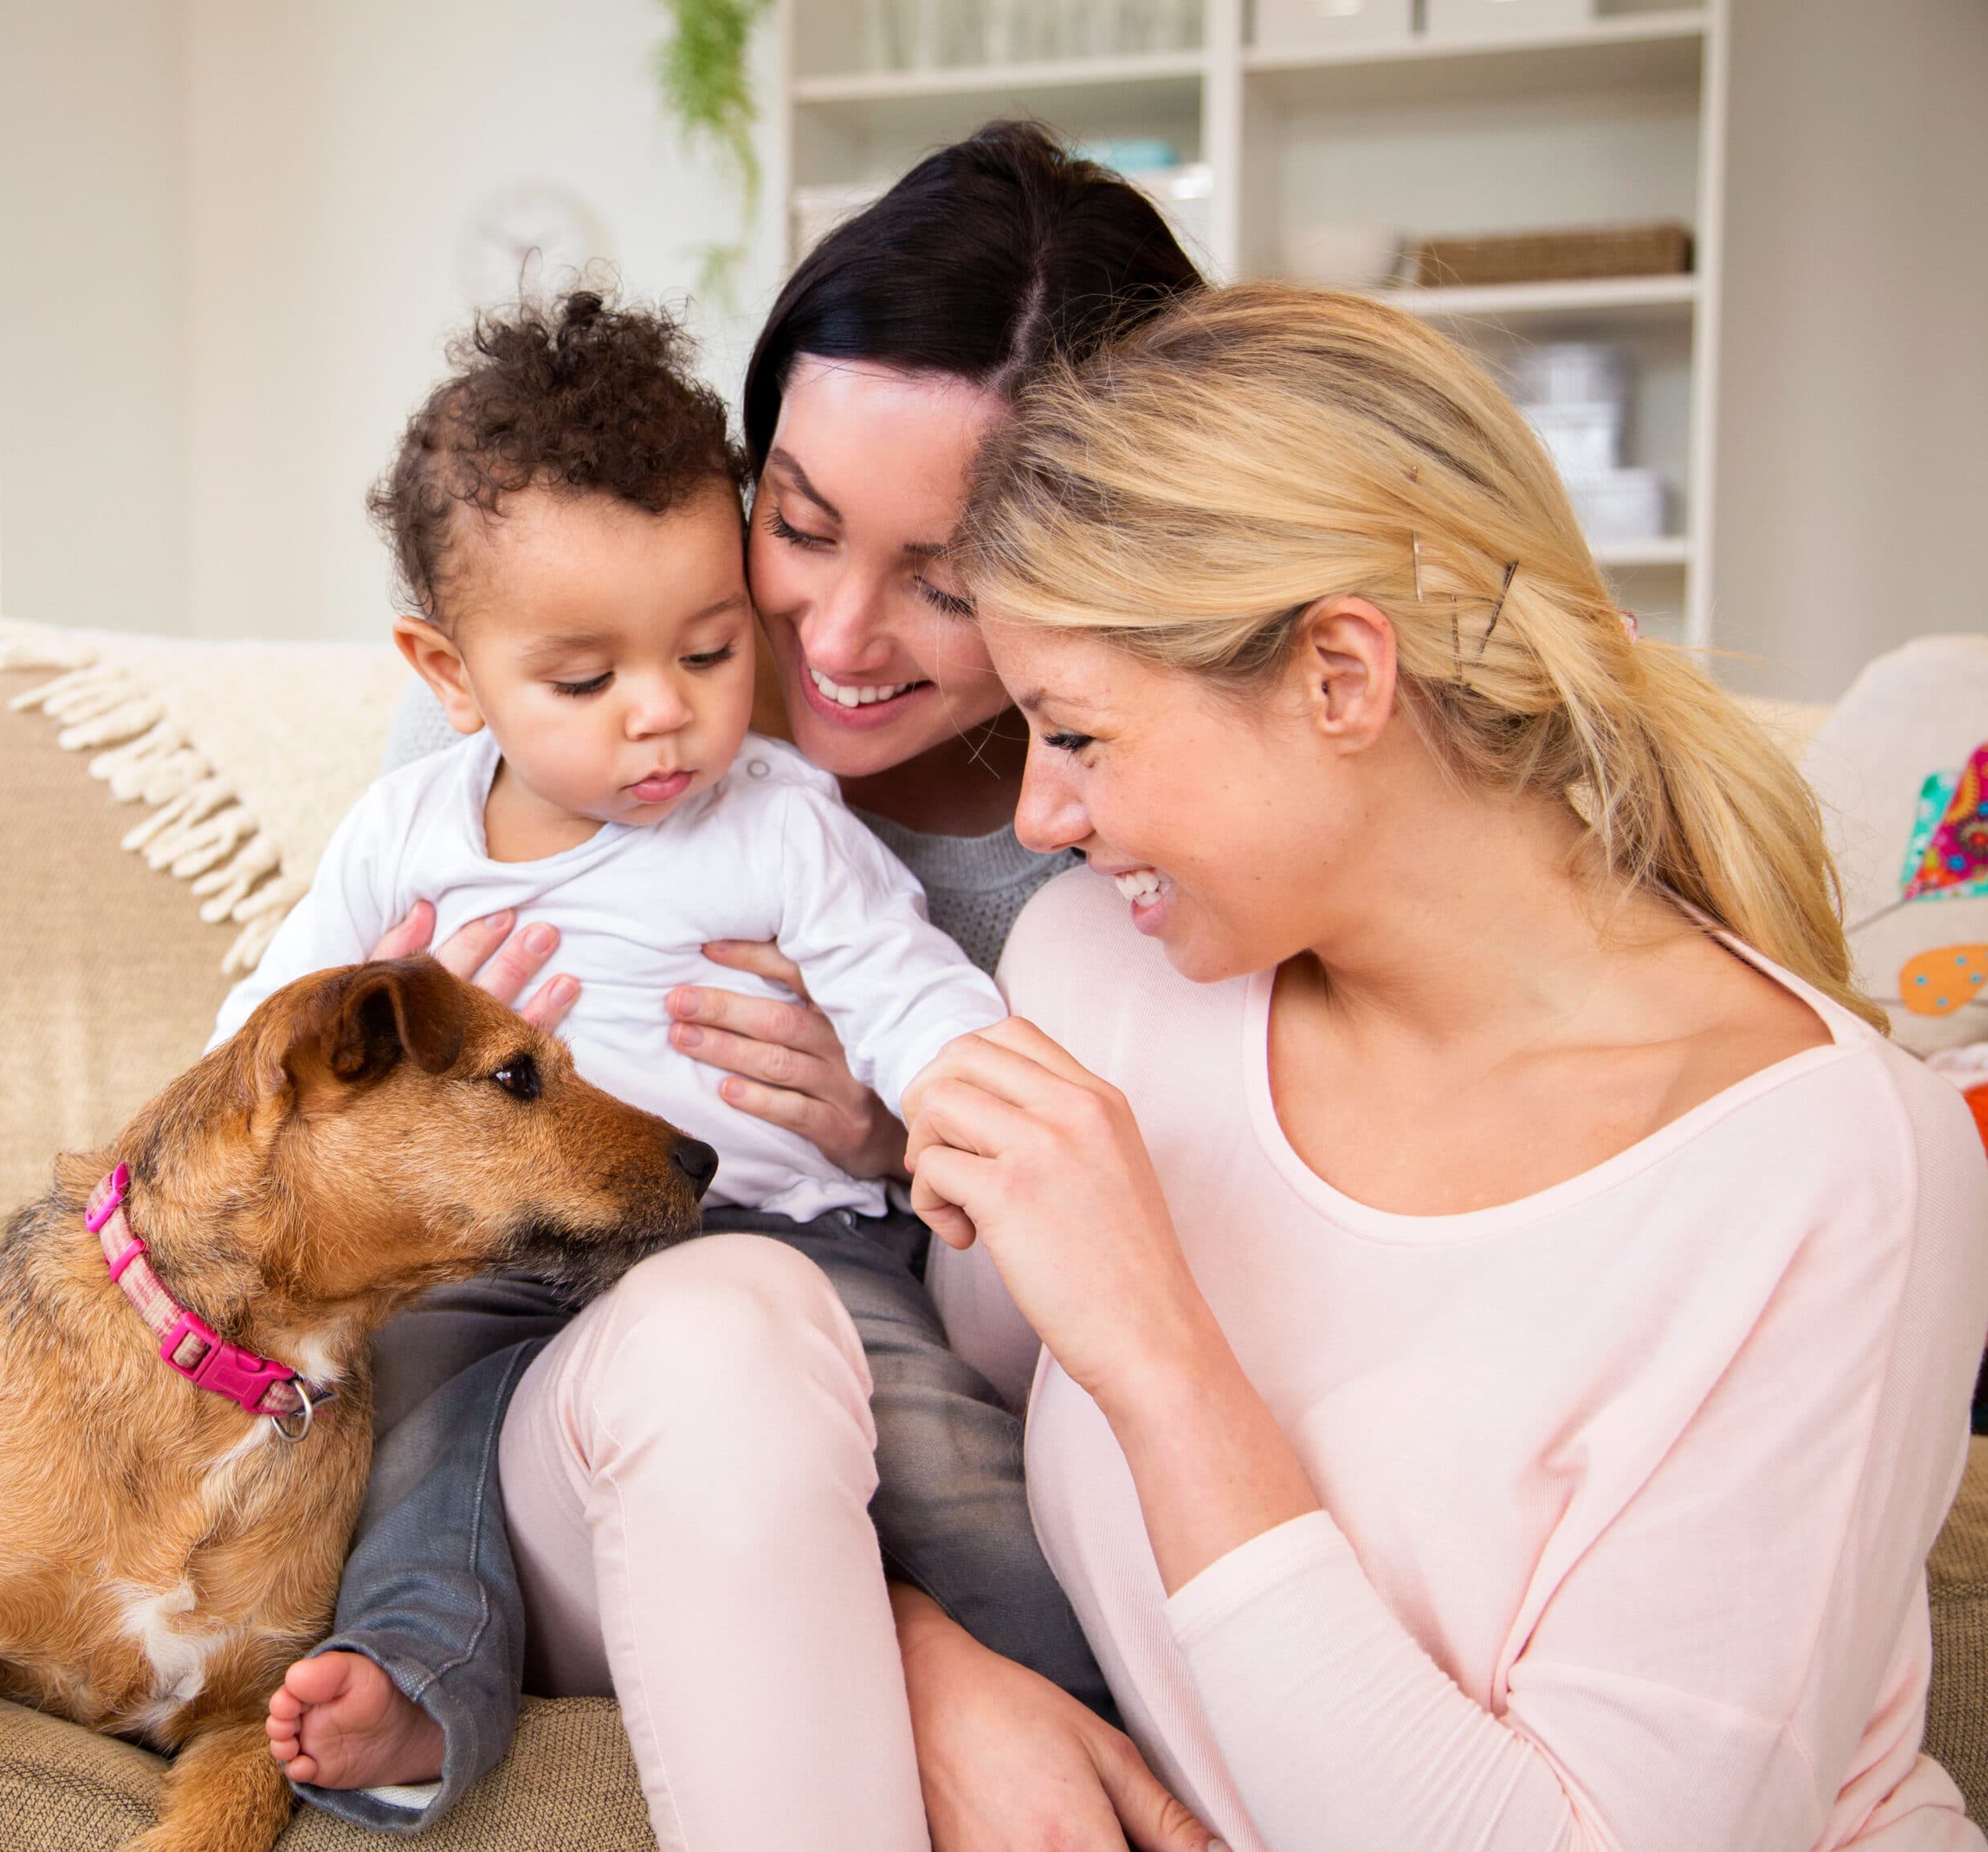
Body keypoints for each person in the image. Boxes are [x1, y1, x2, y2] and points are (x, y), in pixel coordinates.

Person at [897, 281, 1988, 1850]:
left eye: (1078, 733)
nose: (1039, 821)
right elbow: (953, 1473)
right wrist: (931, 1668)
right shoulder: (1098, 978)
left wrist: (1163, 1352)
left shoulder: (1823, 1167)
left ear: (1340, 674)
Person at [264, 126, 1217, 1852]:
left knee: (843, 1377)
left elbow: (1061, 1226)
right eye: (798, 524)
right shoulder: (509, 703)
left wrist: (888, 1132)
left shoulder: (1109, 838)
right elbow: (262, 1066)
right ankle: (419, 1675)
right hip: (544, 1348)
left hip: (817, 1294)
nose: (835, 640)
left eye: (948, 577)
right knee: (497, 1416)